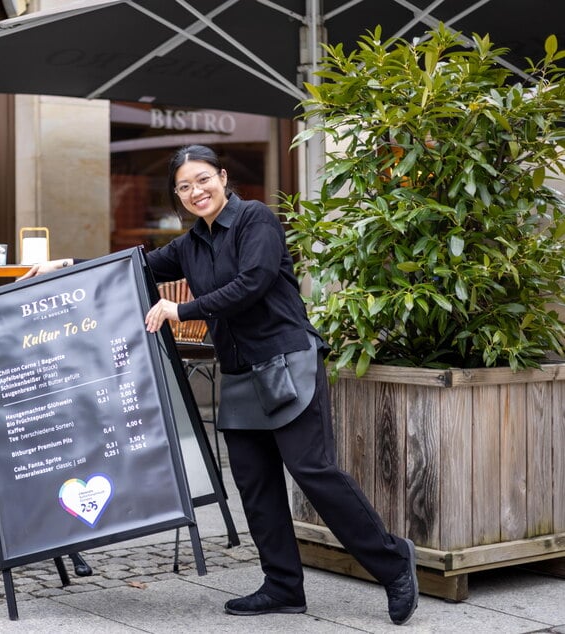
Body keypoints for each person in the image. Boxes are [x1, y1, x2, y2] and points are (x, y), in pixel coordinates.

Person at [23, 144, 419, 625]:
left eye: (203, 179)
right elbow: (132, 266)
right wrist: (64, 266)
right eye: (185, 186)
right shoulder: (190, 245)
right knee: (255, 485)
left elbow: (253, 282)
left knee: (313, 472)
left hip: (286, 361)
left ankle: (395, 563)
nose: (196, 191)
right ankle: (282, 586)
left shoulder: (257, 220)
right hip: (240, 375)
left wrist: (181, 309)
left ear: (223, 177)